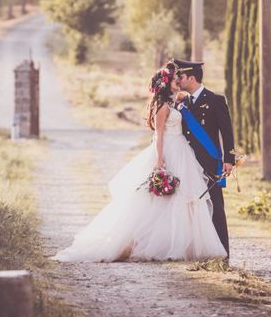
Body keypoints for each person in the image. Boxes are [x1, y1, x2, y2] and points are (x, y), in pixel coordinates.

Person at [52, 62, 227, 262]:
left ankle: (183, 244)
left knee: (183, 199)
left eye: (179, 78)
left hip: (182, 151)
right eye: (174, 79)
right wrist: (160, 160)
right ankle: (151, 244)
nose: (178, 81)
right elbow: (159, 136)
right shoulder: (162, 107)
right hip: (169, 150)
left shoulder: (175, 102)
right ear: (167, 83)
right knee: (162, 201)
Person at [173, 59, 235, 259]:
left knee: (216, 207)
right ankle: (200, 251)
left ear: (191, 78)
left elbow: (227, 131)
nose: (178, 80)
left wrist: (229, 159)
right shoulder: (184, 102)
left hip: (209, 162)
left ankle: (223, 254)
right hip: (189, 163)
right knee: (193, 208)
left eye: (180, 76)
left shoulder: (215, 100)